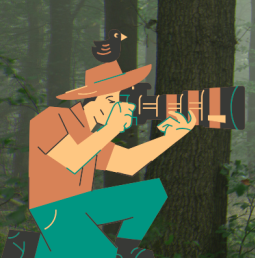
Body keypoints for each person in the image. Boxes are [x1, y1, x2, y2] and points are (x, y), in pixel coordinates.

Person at [24, 60, 196, 258]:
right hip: (53, 212)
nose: (117, 107)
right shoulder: (51, 119)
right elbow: (72, 160)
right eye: (110, 101)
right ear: (91, 99)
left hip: (80, 206)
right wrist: (111, 128)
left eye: (118, 101)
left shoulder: (91, 135)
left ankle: (126, 251)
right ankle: (31, 249)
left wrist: (171, 137)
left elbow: (129, 162)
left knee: (150, 193)